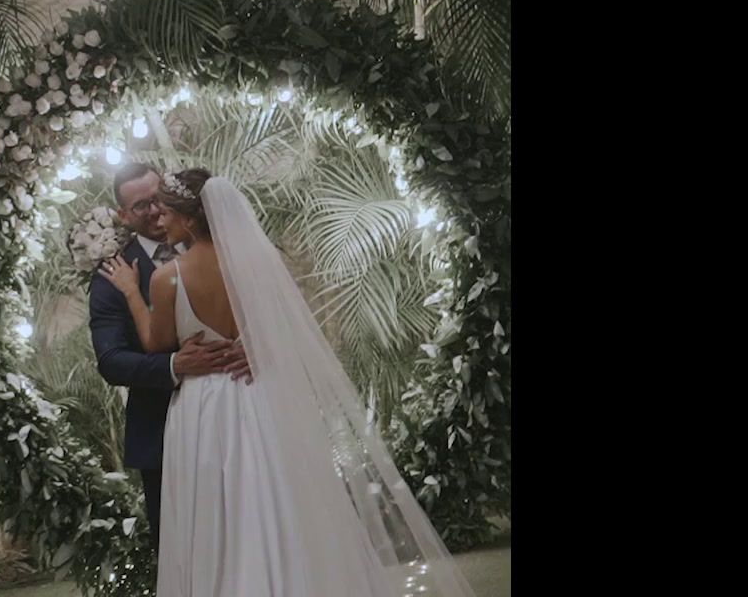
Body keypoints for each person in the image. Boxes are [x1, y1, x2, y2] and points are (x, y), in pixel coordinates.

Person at [98, 168, 476, 597]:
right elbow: (287, 324)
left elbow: (156, 343)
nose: (160, 219)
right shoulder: (257, 261)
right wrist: (256, 348)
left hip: (203, 407)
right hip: (259, 394)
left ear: (189, 217)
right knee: (275, 499)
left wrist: (132, 293)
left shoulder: (166, 278)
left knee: (216, 513)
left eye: (166, 211)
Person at [87, 163, 251, 553]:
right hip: (165, 434)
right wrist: (174, 366)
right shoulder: (113, 274)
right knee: (188, 552)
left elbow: (267, 314)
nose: (156, 209)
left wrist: (254, 346)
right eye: (141, 205)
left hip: (245, 414)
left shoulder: (229, 248)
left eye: (159, 196)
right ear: (123, 216)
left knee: (256, 529)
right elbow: (111, 360)